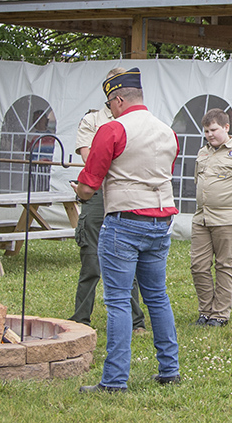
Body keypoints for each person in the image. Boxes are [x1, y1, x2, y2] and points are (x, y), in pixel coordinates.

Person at [72, 68, 180, 393]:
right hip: (160, 221)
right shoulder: (167, 132)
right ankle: (169, 370)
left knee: (118, 300)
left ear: (118, 99)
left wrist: (78, 189)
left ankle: (115, 380)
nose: (111, 108)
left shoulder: (113, 129)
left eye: (111, 102)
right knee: (157, 297)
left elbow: (89, 185)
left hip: (124, 222)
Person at [70, 67, 147, 335]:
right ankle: (81, 320)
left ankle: (136, 322)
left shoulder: (139, 120)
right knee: (91, 259)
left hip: (125, 196)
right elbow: (88, 156)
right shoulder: (93, 119)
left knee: (130, 261)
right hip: (97, 195)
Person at [190, 108, 232, 328]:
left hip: (227, 220)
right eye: (206, 131)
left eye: (214, 130)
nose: (209, 134)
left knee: (224, 266)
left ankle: (220, 314)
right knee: (198, 265)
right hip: (202, 218)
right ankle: (205, 310)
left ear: (226, 128)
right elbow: (197, 182)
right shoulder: (203, 153)